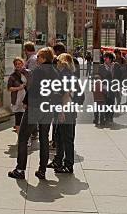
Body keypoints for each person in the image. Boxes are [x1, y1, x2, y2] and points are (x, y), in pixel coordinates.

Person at [8, 47, 58, 181]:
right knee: (44, 139)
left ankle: (20, 169)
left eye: (40, 57)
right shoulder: (55, 71)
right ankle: (42, 171)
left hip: (35, 107)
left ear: (44, 58)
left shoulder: (38, 70)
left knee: (23, 137)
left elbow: (33, 88)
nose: (38, 59)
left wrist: (26, 102)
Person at [48, 53, 78, 174]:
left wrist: (61, 111)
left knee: (66, 138)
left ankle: (68, 164)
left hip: (66, 110)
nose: (57, 63)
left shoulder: (65, 75)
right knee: (60, 136)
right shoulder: (68, 74)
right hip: (68, 109)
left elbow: (66, 94)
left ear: (63, 63)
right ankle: (58, 160)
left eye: (58, 61)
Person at [8, 57, 28, 134]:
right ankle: (19, 137)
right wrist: (18, 88)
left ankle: (26, 137)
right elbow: (9, 88)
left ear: (22, 64)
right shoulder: (12, 76)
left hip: (26, 99)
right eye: (16, 64)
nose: (18, 65)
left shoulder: (27, 74)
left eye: (19, 64)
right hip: (17, 100)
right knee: (18, 118)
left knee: (25, 119)